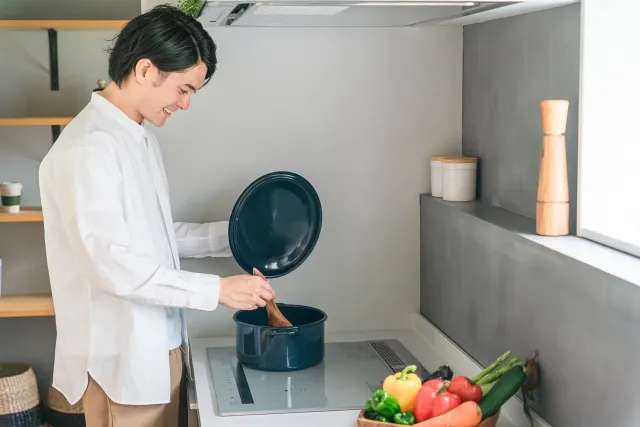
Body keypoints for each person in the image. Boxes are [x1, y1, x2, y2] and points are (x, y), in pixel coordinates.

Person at [38, 5, 275, 427]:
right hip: (123, 365)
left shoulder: (137, 139)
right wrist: (217, 290)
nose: (184, 104)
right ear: (146, 69)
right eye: (184, 89)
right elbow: (111, 265)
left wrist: (239, 236)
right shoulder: (87, 149)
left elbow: (157, 236)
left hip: (160, 351)